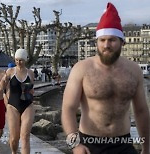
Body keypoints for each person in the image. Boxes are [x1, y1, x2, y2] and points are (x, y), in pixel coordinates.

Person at [61, 3, 149, 154]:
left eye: (112, 40)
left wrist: (147, 147)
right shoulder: (82, 69)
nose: (106, 45)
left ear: (122, 42)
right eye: (102, 40)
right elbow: (68, 109)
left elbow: (141, 111)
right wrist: (74, 144)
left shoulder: (134, 71)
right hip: (89, 143)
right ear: (96, 42)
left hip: (123, 143)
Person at [0, 48, 35, 154]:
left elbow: (32, 89)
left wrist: (30, 90)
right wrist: (4, 79)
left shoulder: (30, 73)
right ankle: (14, 152)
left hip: (27, 105)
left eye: (21, 60)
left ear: (25, 60)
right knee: (15, 138)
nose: (19, 62)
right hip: (13, 106)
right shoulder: (10, 71)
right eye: (17, 60)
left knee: (25, 136)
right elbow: (1, 87)